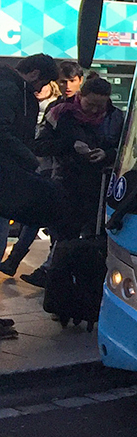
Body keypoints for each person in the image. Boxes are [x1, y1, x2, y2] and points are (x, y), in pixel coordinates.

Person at [22, 74, 124, 288]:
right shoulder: (60, 113)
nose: (95, 111)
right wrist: (69, 146)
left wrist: (107, 154)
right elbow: (39, 146)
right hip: (66, 184)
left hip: (101, 189)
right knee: (63, 239)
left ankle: (88, 287)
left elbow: (127, 149)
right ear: (81, 96)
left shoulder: (117, 118)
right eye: (90, 104)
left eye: (100, 106)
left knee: (93, 239)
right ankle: (58, 288)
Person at [0, 54, 63, 326]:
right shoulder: (11, 89)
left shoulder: (14, 88)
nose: (42, 89)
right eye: (45, 81)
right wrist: (28, 159)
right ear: (35, 73)